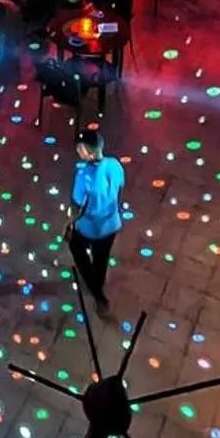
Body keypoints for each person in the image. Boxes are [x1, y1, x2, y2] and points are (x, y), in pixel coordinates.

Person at [66, 127, 125, 316]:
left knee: (77, 247)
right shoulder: (114, 164)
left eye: (79, 148)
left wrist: (69, 223)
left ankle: (98, 294)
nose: (77, 151)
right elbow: (120, 187)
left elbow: (77, 205)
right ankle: (98, 282)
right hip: (112, 224)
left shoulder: (84, 177)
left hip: (91, 227)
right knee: (102, 258)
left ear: (87, 152)